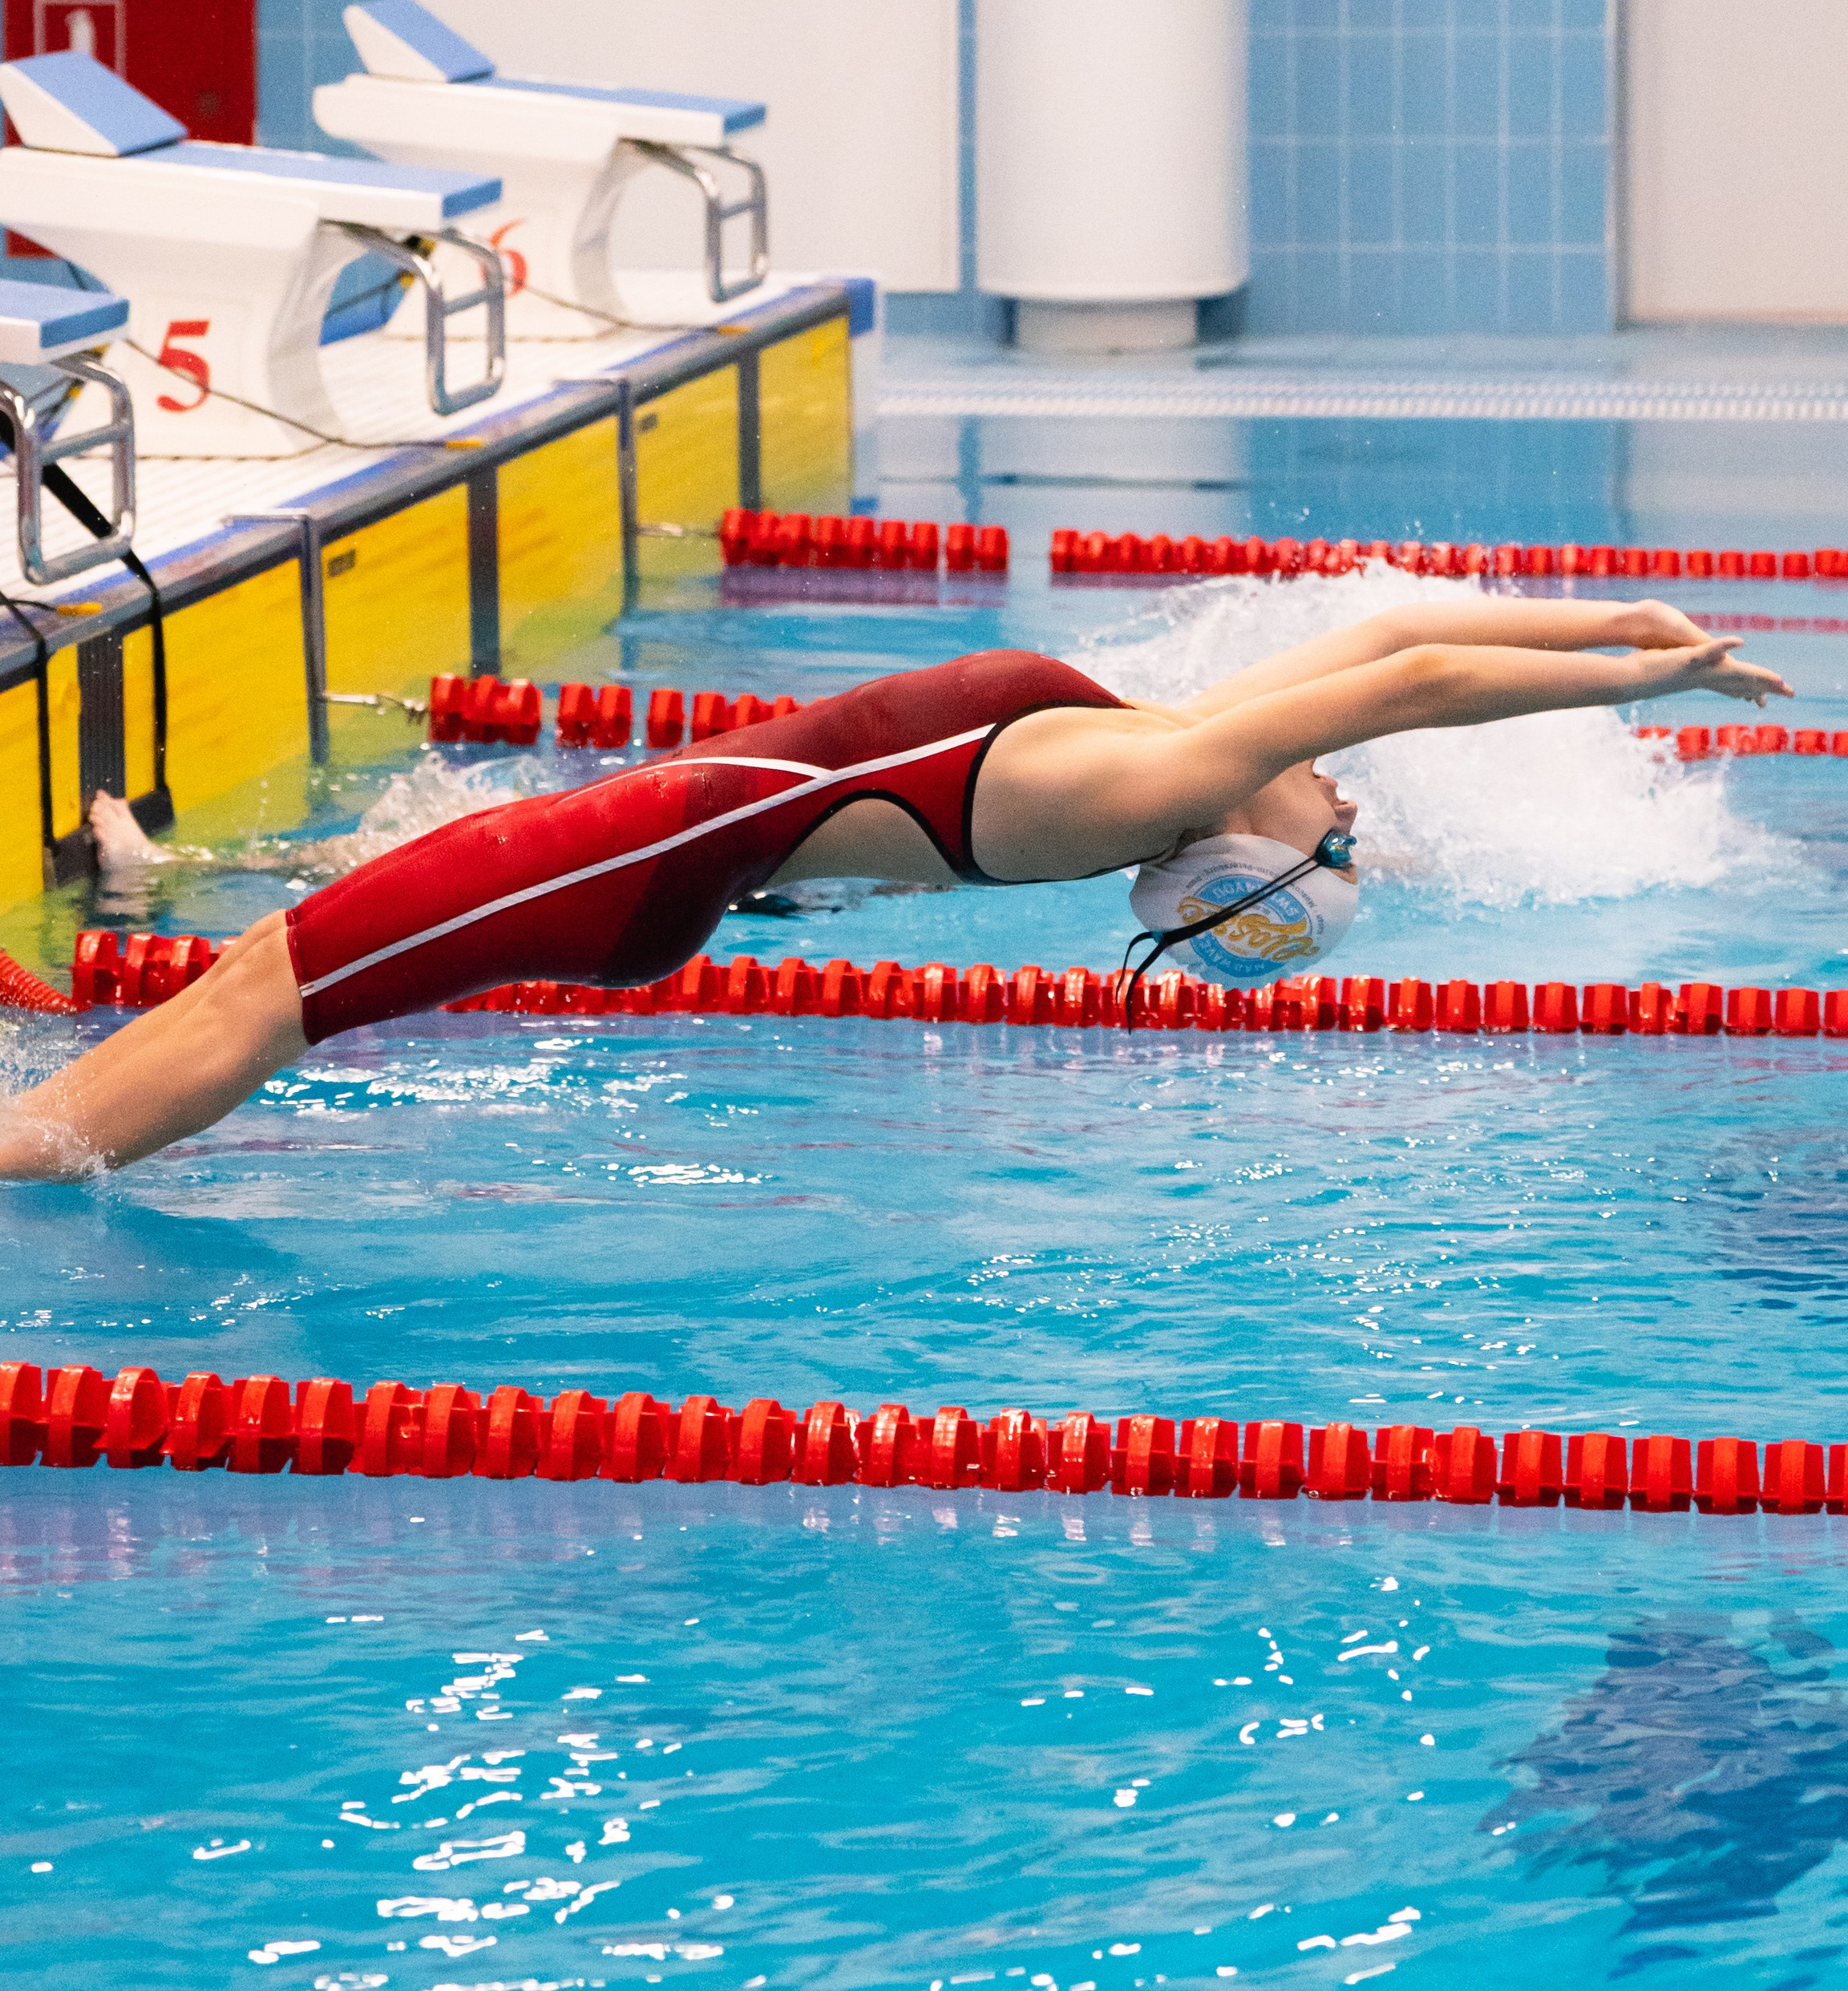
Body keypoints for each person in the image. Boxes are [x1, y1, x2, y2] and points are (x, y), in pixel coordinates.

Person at [0, 586, 1788, 1181]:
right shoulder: (1165, 745)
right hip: (655, 853)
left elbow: (1395, 686)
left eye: (1343, 822)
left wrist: (1638, 687)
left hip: (627, 858)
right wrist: (1610, 620)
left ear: (1260, 831)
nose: (1355, 793)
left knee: (255, 1004)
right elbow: (1392, 633)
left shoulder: (1139, 777)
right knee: (260, 990)